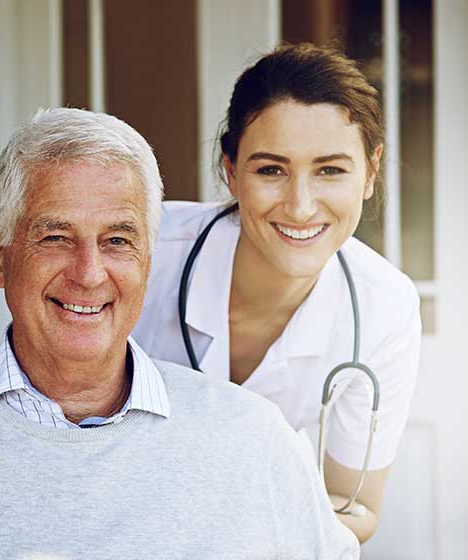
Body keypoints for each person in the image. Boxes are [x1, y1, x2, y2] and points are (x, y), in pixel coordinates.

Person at [0, 108, 359, 559]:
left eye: (117, 240)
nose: (88, 273)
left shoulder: (254, 441)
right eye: (55, 237)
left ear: (147, 260)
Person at [132, 43, 421, 543]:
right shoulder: (142, 253)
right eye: (271, 170)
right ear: (230, 171)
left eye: (330, 170)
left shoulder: (385, 309)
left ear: (371, 172)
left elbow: (355, 507)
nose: (301, 206)